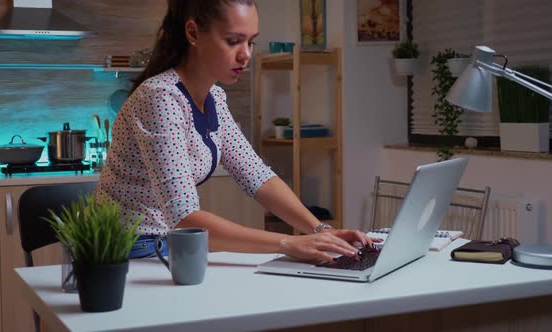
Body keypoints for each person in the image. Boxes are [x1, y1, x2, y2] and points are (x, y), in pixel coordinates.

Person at [95, 0, 378, 263]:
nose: (246, 55)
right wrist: (287, 243)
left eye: (251, 42)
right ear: (193, 33)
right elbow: (185, 217)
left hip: (167, 243)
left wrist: (320, 229)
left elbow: (258, 177)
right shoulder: (159, 98)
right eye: (233, 41)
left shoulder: (214, 98)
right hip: (125, 249)